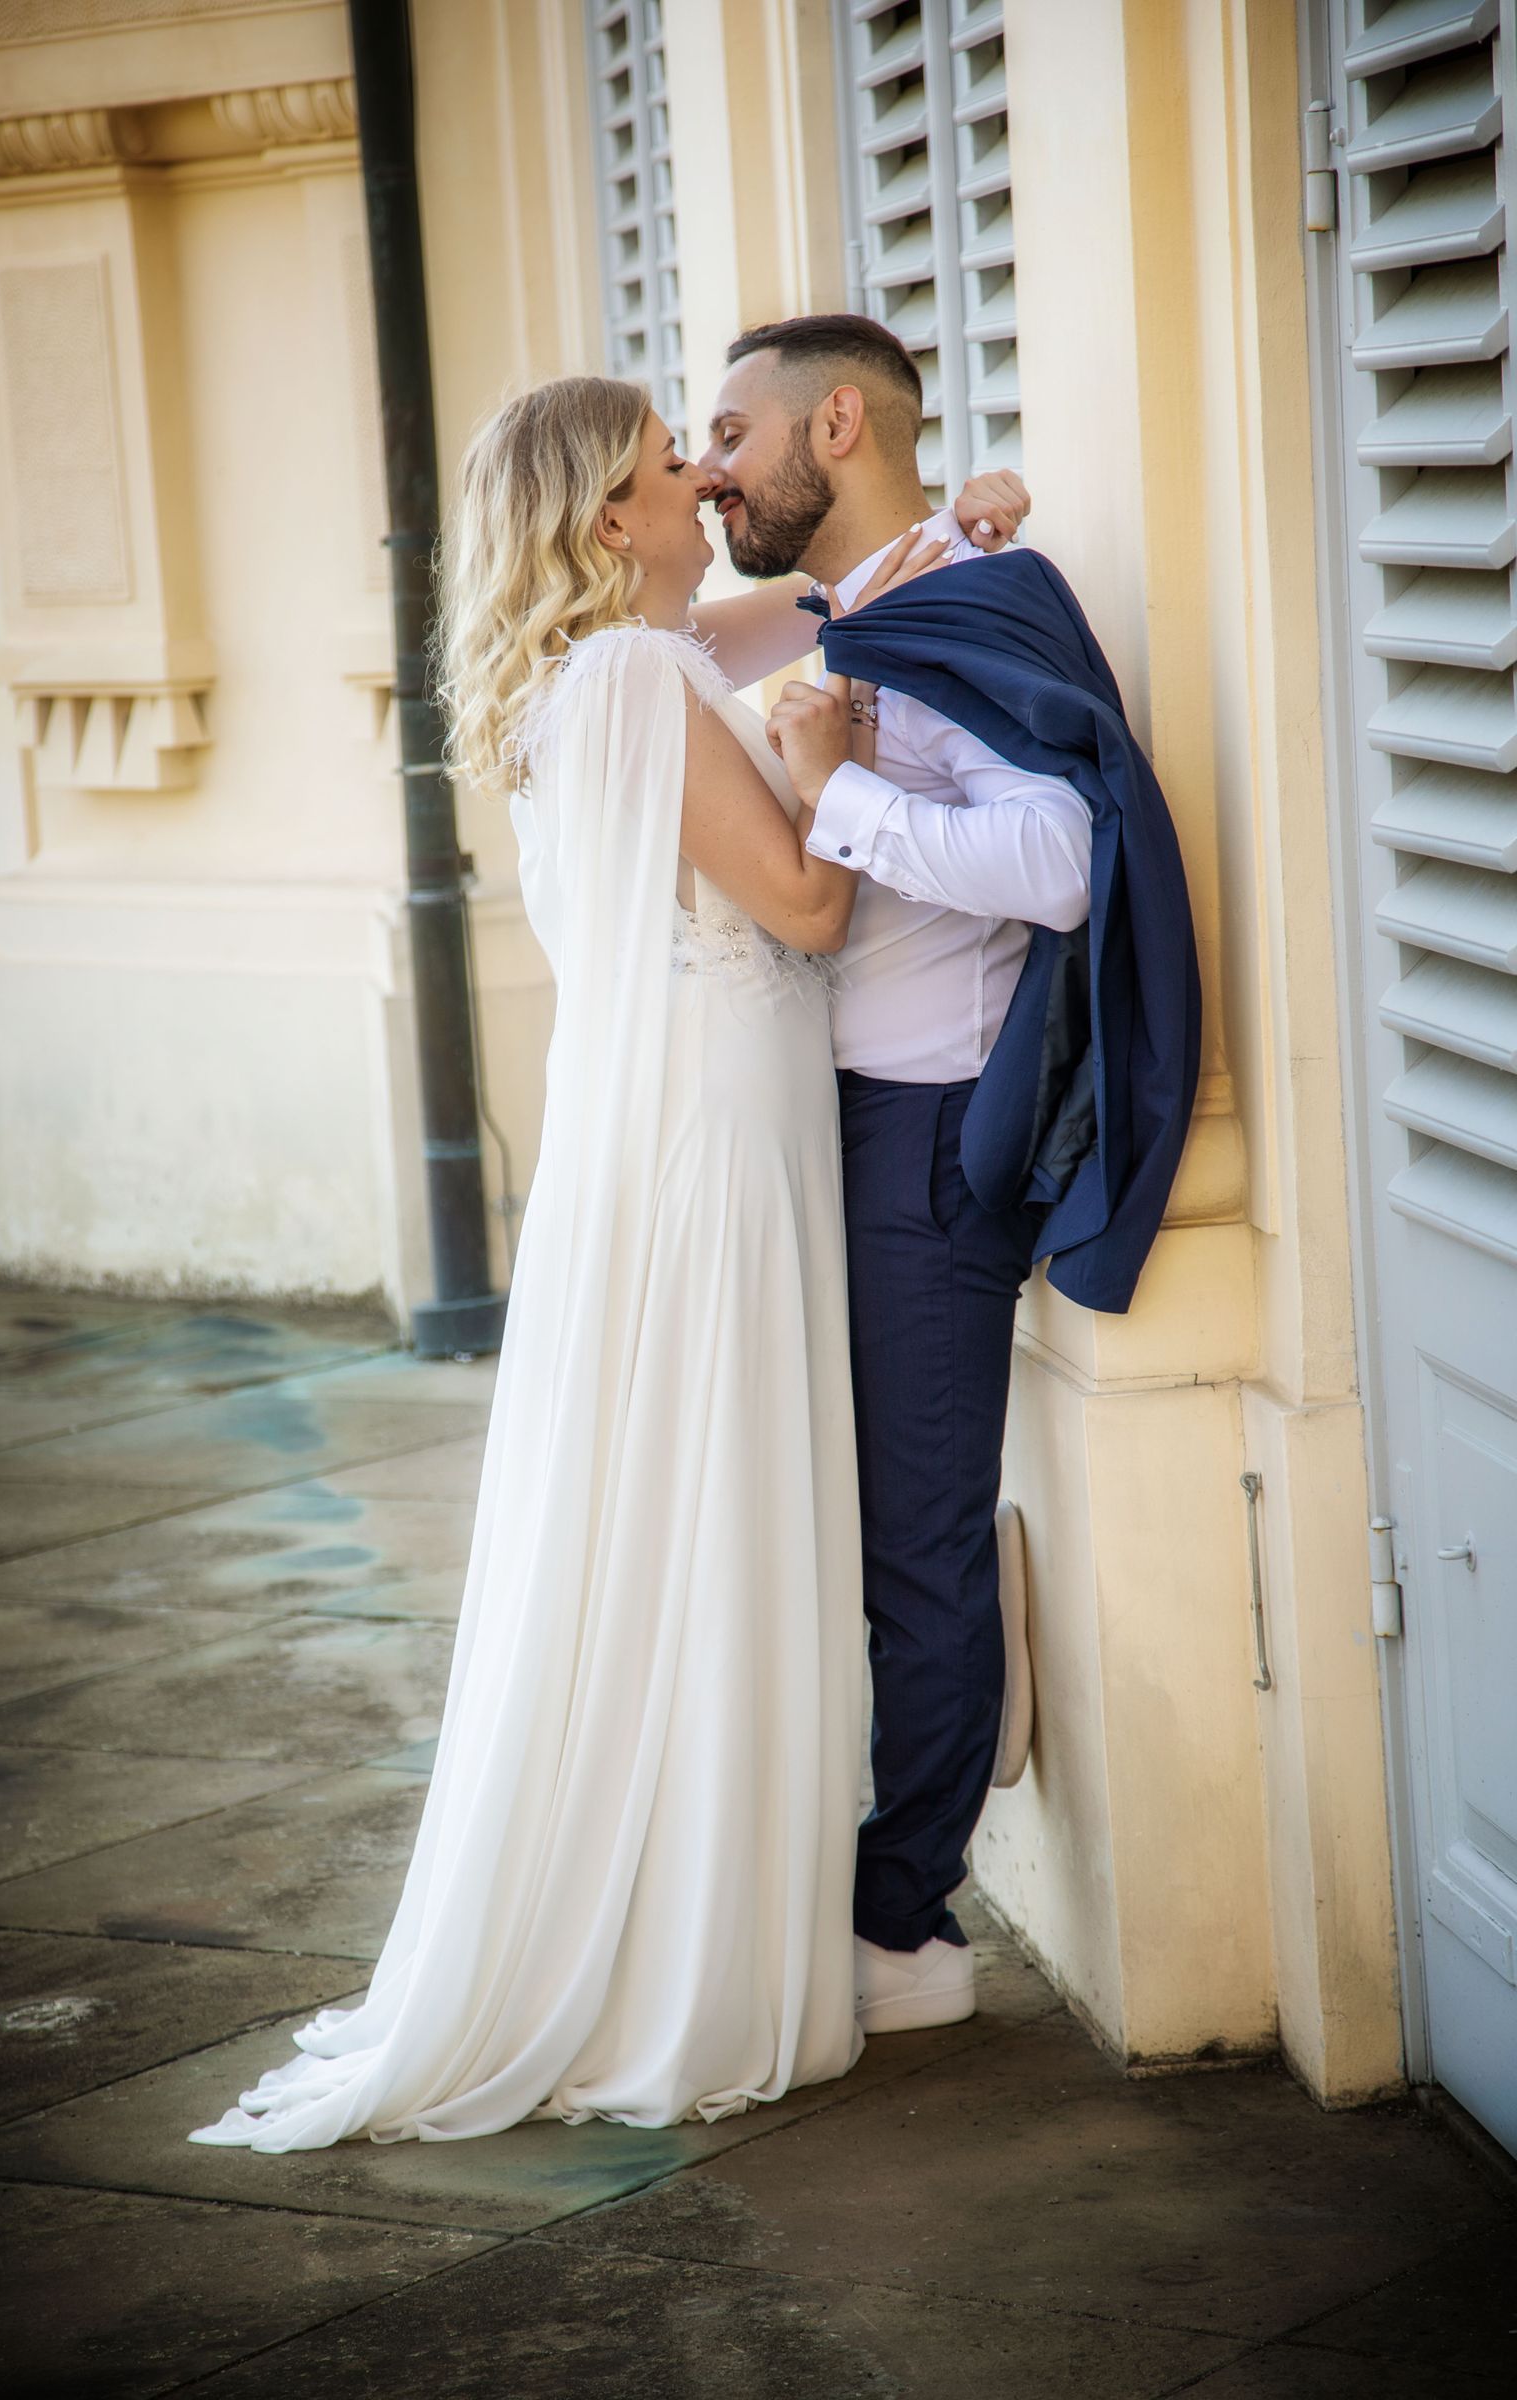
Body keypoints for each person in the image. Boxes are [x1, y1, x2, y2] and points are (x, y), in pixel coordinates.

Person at [188, 375, 1026, 2148]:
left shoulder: (595, 668)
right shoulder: (639, 680)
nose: (707, 485)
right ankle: (700, 1948)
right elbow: (807, 906)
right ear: (606, 522)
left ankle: (683, 1902)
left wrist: (959, 526)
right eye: (671, 467)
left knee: (669, 1515)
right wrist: (831, 763)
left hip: (672, 1129)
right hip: (728, 1137)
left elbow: (811, 596)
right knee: (719, 1514)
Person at [700, 313, 1195, 2039]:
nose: (710, 470)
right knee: (843, 1522)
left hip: (925, 1141)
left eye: (731, 434)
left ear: (836, 425)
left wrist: (843, 800)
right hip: (819, 1123)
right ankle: (896, 1821)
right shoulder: (864, 603)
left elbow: (1066, 859)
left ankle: (905, 1925)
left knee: (914, 1547)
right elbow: (638, 638)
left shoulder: (970, 608)